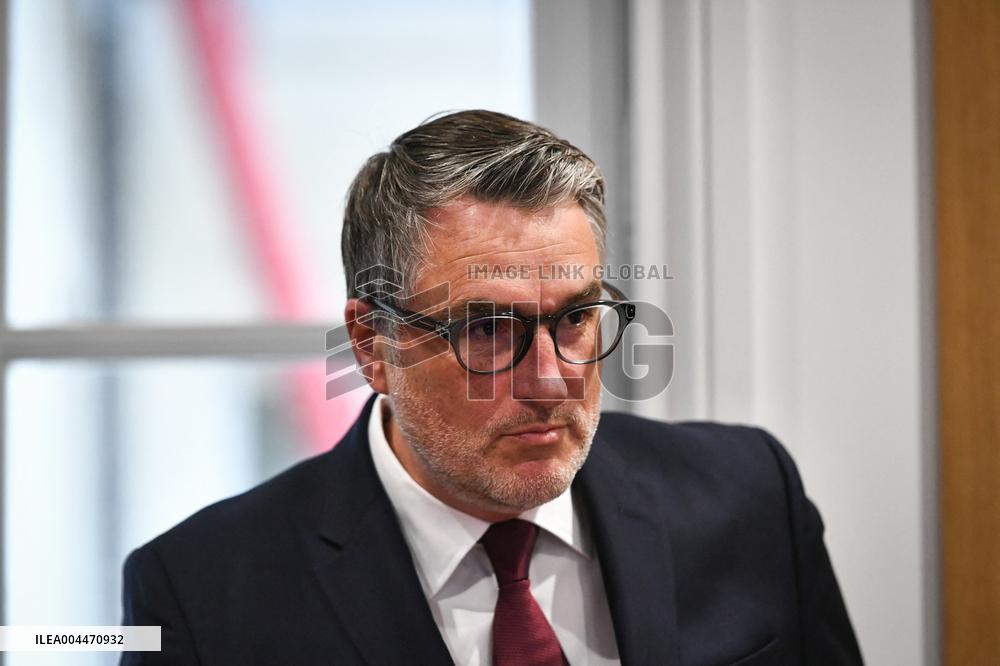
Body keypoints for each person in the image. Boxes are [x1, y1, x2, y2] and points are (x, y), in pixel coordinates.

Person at [120, 110, 863, 665]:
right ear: (372, 345)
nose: (550, 381)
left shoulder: (749, 500)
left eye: (575, 318)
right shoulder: (204, 593)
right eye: (486, 331)